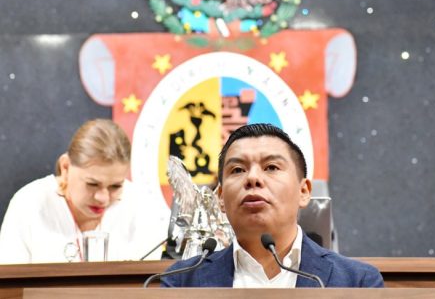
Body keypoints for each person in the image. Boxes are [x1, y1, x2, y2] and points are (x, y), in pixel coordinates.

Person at [161, 123, 383, 288]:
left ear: (303, 191)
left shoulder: (357, 281)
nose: (253, 178)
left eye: (271, 167)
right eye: (238, 170)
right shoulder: (181, 281)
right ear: (220, 198)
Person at [0, 119, 169, 264]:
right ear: (65, 167)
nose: (103, 198)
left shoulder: (141, 208)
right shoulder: (28, 204)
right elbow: (9, 285)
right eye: (92, 184)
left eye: (115, 186)